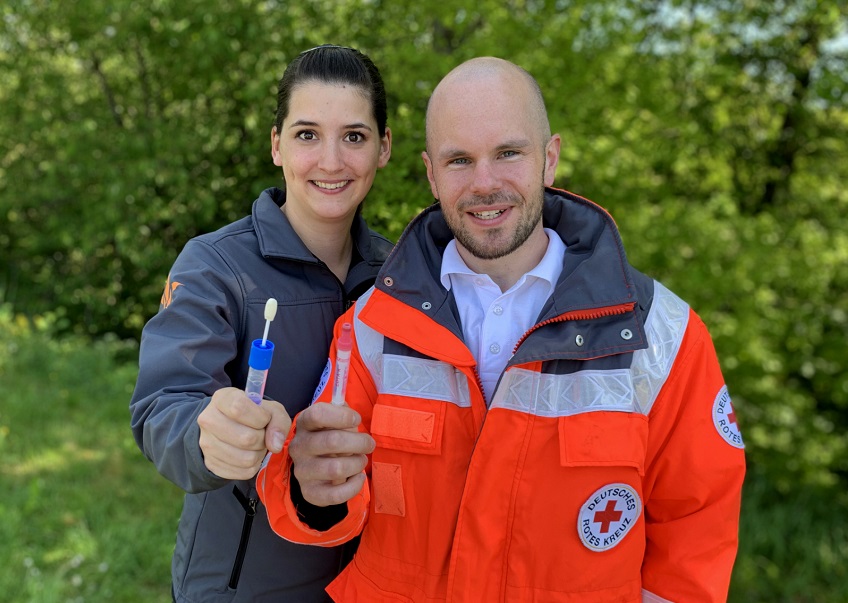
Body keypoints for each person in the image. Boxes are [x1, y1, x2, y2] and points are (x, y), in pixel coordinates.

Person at [258, 57, 746, 602]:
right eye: (459, 160)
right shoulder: (372, 324)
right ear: (431, 173)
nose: (485, 183)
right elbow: (322, 500)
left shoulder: (661, 334)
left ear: (550, 159)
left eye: (508, 153)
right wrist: (311, 490)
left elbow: (695, 534)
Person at [129, 44, 393, 602]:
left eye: (354, 136)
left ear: (383, 148)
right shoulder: (215, 264)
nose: (330, 161)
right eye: (306, 135)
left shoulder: (402, 278)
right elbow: (162, 407)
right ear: (276, 145)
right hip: (243, 587)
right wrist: (206, 434)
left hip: (373, 582)